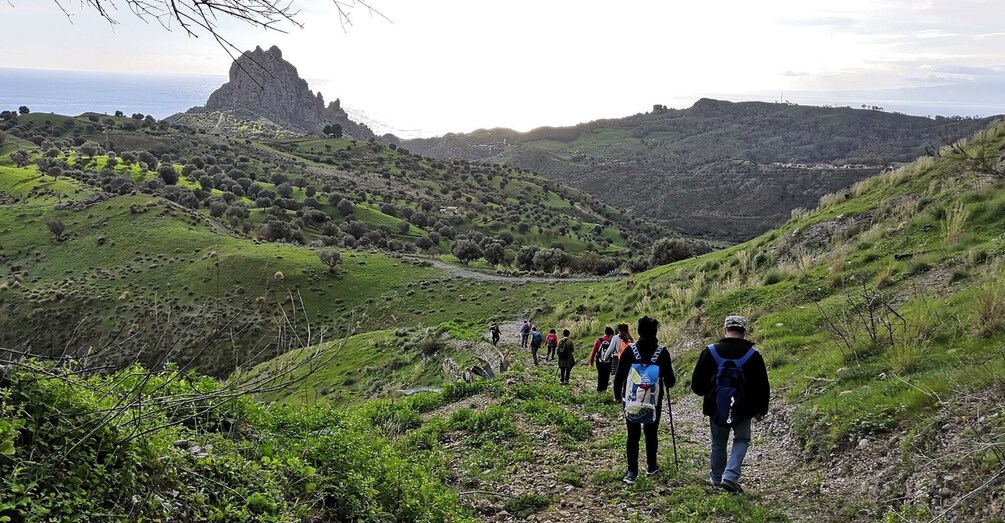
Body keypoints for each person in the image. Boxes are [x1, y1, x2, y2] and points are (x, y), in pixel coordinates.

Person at [690, 315, 769, 494]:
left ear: (725, 330)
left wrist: (709, 395)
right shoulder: (753, 355)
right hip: (744, 408)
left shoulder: (710, 351)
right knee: (741, 439)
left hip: (716, 407)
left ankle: (717, 479)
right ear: (744, 332)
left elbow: (697, 385)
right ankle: (730, 476)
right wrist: (761, 409)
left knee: (718, 442)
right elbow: (762, 386)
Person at [613, 316, 675, 484]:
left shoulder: (630, 351)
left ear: (639, 331)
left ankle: (632, 472)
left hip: (632, 400)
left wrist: (618, 395)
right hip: (653, 401)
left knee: (632, 435)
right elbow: (670, 381)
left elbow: (619, 377)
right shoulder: (662, 352)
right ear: (655, 332)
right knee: (651, 432)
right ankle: (651, 466)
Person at [589, 326, 615, 392]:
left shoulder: (599, 340)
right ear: (611, 334)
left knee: (600, 375)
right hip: (608, 362)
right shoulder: (612, 341)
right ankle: (604, 389)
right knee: (606, 376)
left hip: (599, 362)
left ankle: (599, 390)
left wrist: (591, 361)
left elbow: (594, 351)